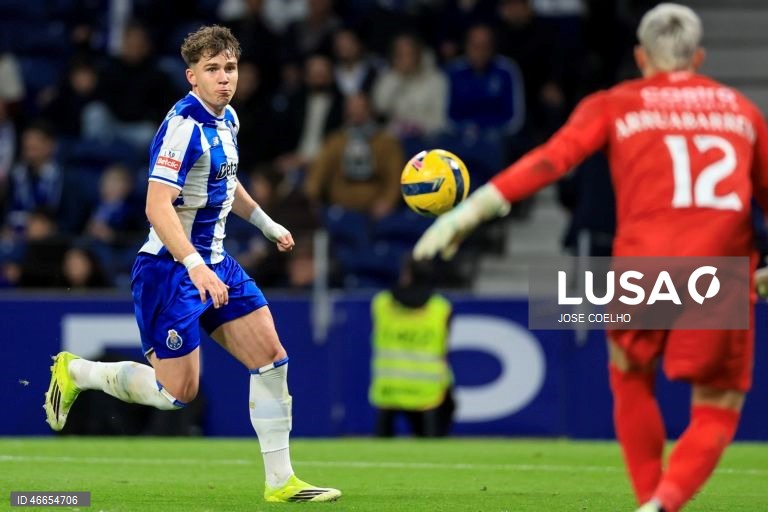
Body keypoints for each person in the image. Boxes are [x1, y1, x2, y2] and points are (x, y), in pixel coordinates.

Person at [413, 4, 767, 512]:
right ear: (699, 56)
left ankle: (650, 498)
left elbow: (552, 159)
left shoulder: (616, 103)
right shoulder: (742, 111)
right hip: (720, 268)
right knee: (718, 407)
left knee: (629, 374)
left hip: (643, 267)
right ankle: (662, 503)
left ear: (642, 57)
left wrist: (466, 214)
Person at [43, 25, 341, 503]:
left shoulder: (228, 119)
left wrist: (266, 223)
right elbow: (157, 206)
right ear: (191, 77)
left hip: (217, 264)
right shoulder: (185, 129)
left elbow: (227, 181)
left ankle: (281, 482)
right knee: (174, 393)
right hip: (169, 271)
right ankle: (78, 372)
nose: (225, 79)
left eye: (230, 68)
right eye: (213, 70)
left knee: (271, 360)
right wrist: (195, 266)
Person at [369, 258, 455, 437]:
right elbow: (445, 349)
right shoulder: (441, 308)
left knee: (379, 456)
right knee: (434, 454)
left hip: (389, 390)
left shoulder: (382, 304)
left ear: (406, 276)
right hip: (428, 393)